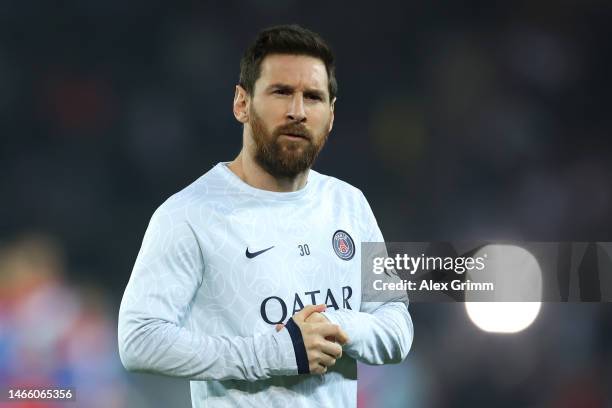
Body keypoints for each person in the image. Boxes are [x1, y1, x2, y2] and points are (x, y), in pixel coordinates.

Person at [118, 24, 413, 408]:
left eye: (313, 97)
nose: (297, 111)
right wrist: (277, 353)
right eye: (281, 92)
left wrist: (338, 326)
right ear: (242, 103)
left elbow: (396, 323)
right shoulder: (189, 216)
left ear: (332, 114)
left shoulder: (349, 204)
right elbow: (139, 341)